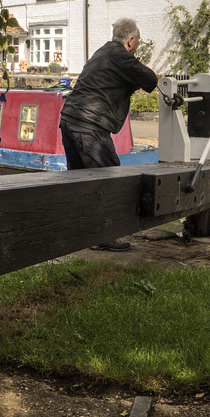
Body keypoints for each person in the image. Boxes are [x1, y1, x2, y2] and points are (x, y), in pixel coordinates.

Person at [60, 17, 158, 250]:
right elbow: (151, 79)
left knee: (80, 181)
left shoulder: (101, 52)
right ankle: (104, 236)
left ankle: (82, 234)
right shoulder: (122, 56)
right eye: (138, 42)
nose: (138, 46)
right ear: (131, 40)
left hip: (69, 120)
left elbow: (105, 82)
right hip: (89, 126)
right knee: (110, 179)